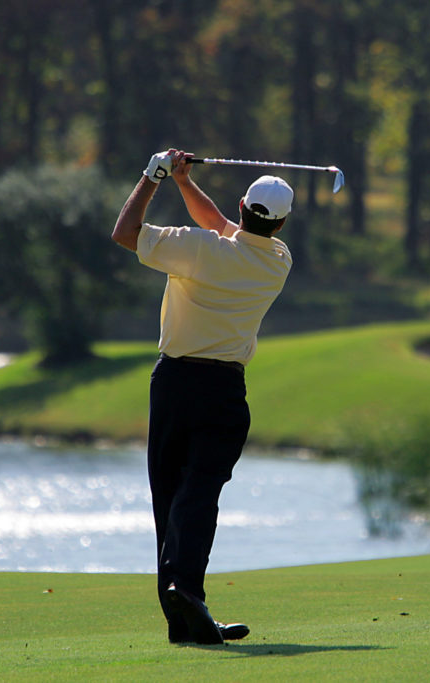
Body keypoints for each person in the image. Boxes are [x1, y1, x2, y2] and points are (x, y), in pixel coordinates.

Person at [111, 149, 293, 645]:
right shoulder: (278, 260)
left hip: (172, 384)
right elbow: (219, 226)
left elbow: (126, 233)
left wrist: (154, 177)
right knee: (199, 492)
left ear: (242, 206)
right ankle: (186, 603)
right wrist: (185, 182)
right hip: (225, 391)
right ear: (281, 223)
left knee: (172, 496)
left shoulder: (195, 248)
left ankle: (184, 603)